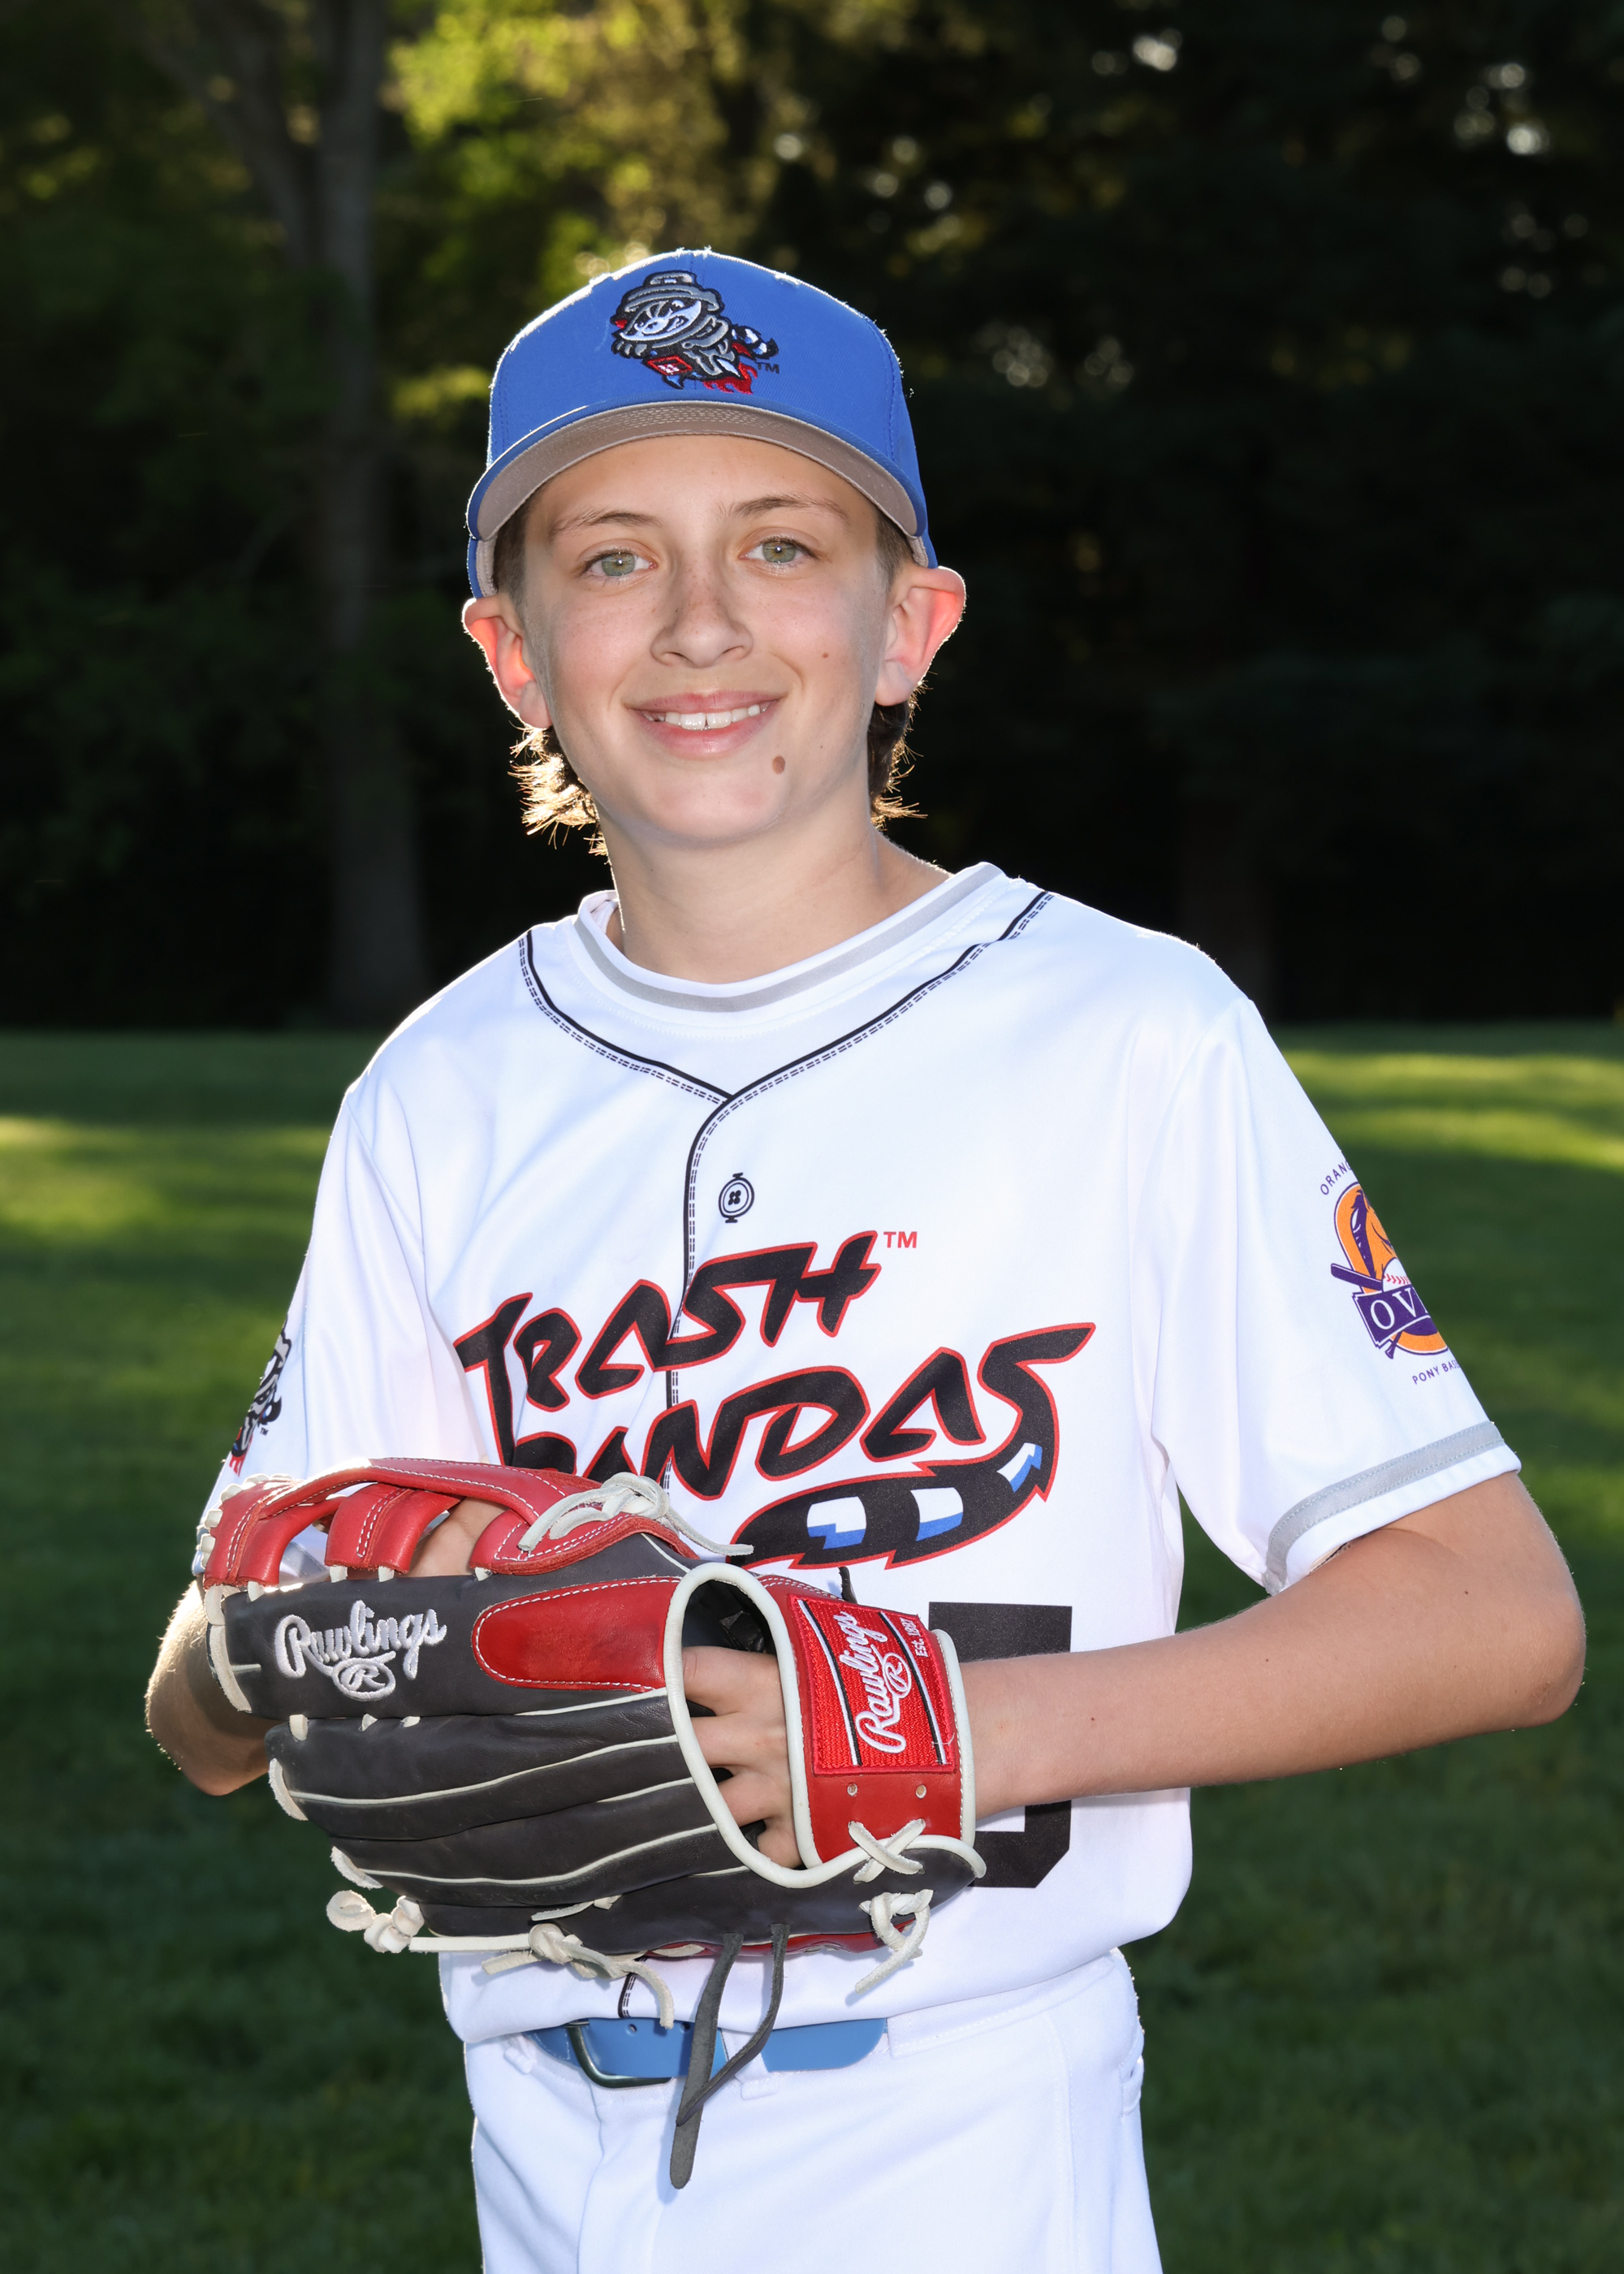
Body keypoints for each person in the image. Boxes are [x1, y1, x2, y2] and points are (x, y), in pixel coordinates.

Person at [146, 251, 1585, 2274]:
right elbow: (201, 1702)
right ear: (511, 651)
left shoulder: (1123, 1031)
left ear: (909, 625)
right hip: (538, 2148)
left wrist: (947, 1730)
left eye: (782, 543)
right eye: (614, 556)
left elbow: (1494, 1617)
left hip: (962, 2130)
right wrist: (306, 1635)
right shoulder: (437, 1093)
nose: (702, 619)